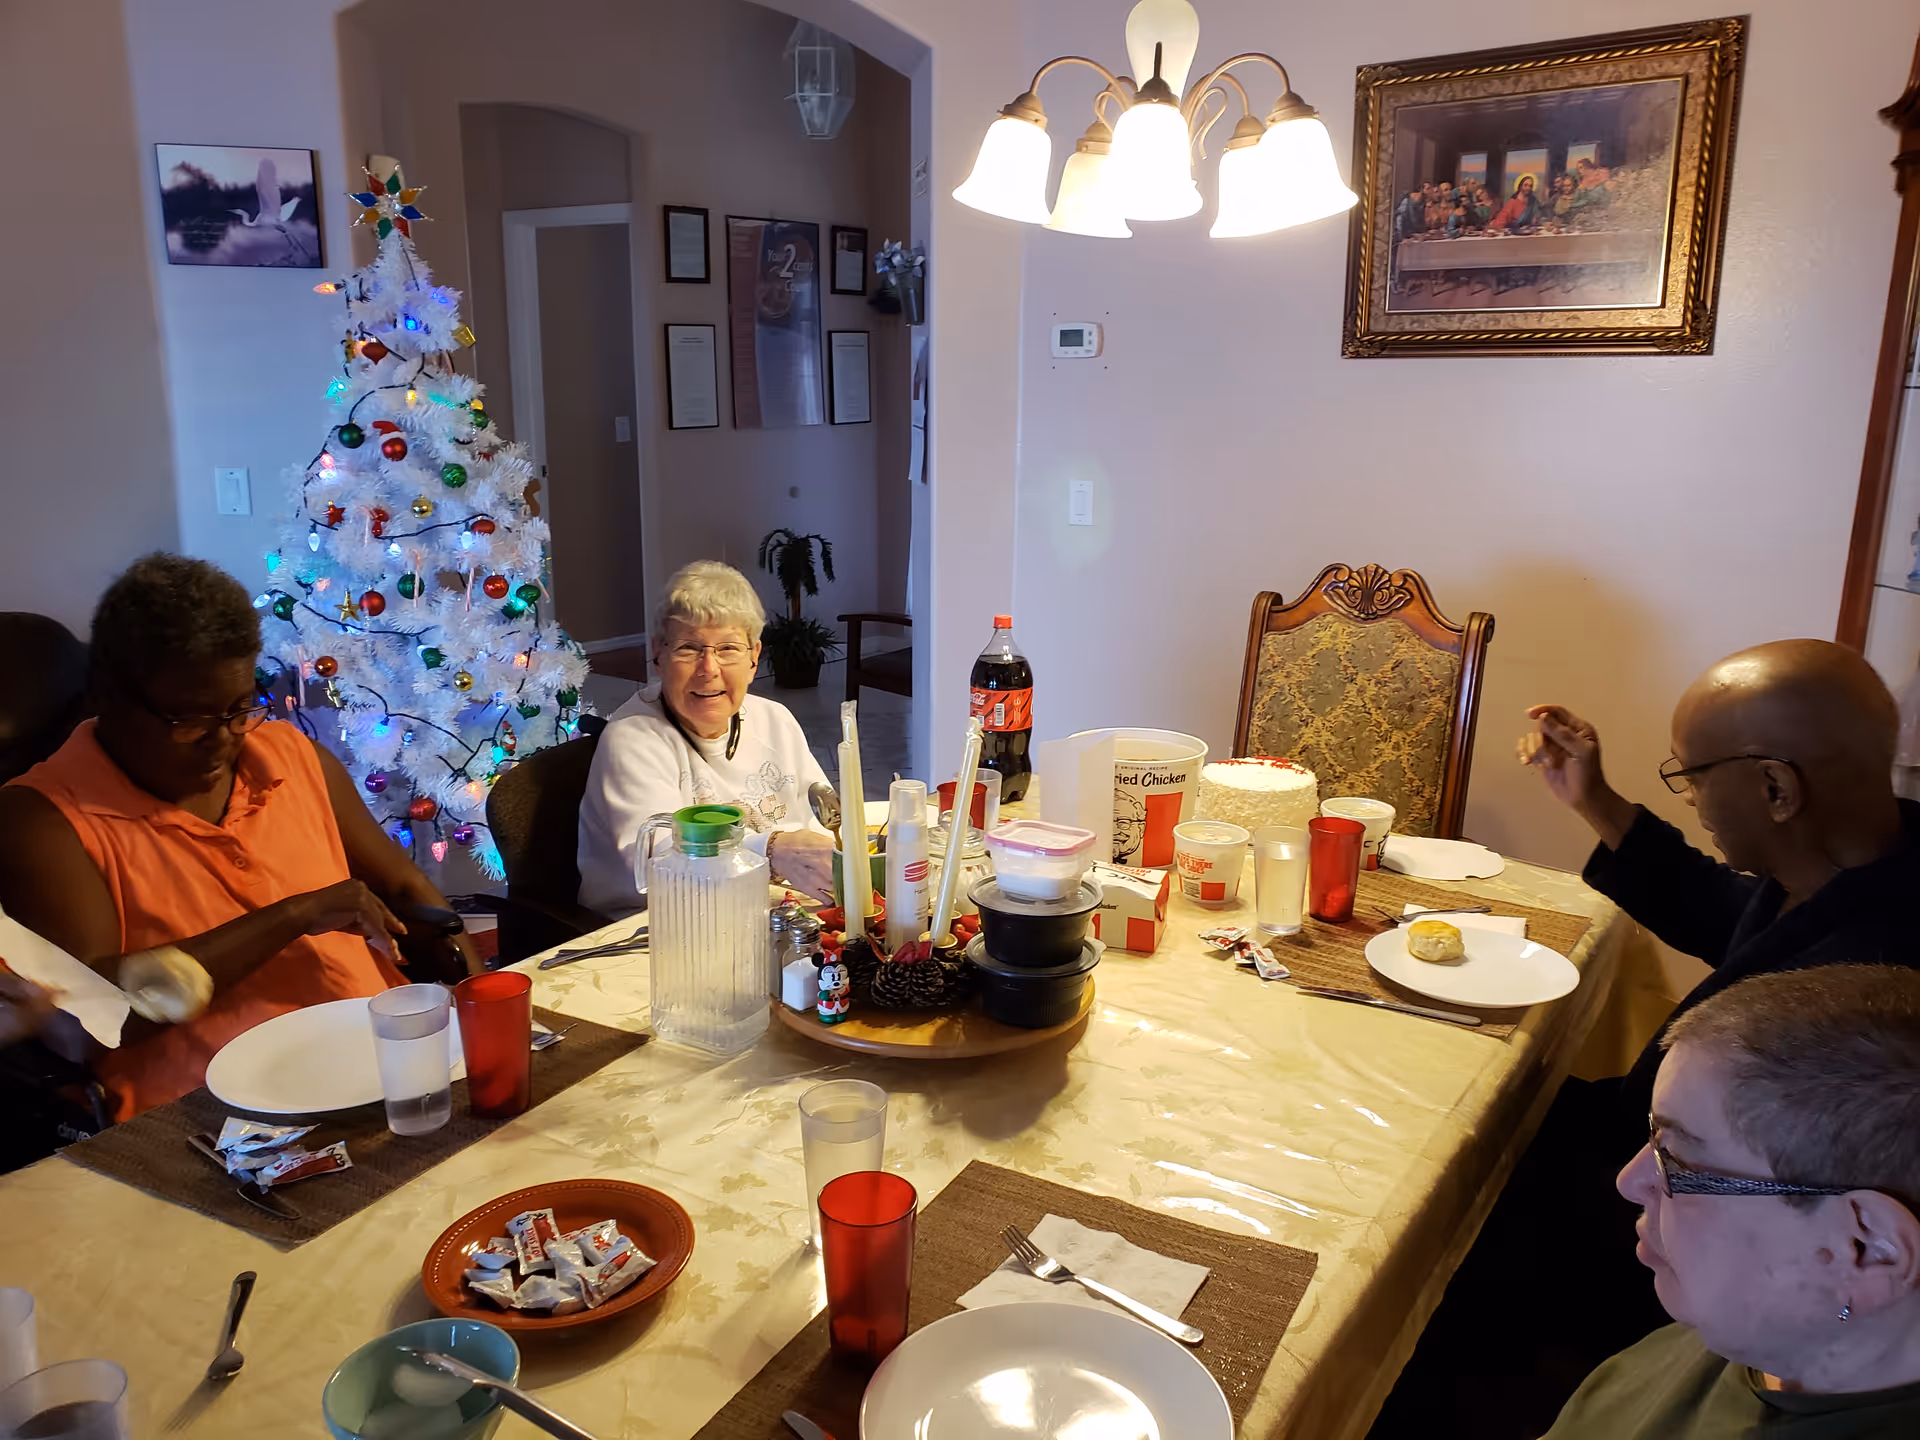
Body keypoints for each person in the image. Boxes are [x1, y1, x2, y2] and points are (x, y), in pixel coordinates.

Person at [1370, 639, 1920, 1440]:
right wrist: (1594, 799)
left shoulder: (1875, 983)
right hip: (1670, 1163)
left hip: (1675, 1226)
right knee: (1449, 1099)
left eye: (1693, 775)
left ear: (1774, 788)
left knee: (1424, 1215)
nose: (1691, 797)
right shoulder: (1861, 860)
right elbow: (1733, 915)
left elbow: (1759, 1220)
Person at [0, 554, 475, 1120]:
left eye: (238, 708)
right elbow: (102, 1020)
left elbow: (403, 884)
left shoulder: (290, 755)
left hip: (379, 1062)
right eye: (190, 720)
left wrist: (481, 1005)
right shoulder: (44, 819)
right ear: (106, 698)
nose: (221, 740)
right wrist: (292, 916)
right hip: (213, 1116)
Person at [1545, 964, 1920, 1437]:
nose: (1629, 1181)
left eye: (1676, 1159)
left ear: (1865, 1250)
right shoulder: (1757, 1329)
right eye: (1653, 1134)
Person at [577, 561, 834, 917]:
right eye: (688, 648)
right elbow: (664, 864)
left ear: (754, 657)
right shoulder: (632, 740)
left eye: (728, 648)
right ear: (659, 655)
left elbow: (820, 823)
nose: (709, 668)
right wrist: (773, 850)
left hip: (761, 913)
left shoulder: (775, 720)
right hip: (655, 931)